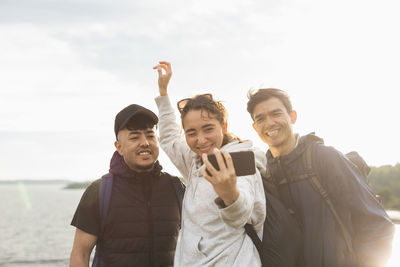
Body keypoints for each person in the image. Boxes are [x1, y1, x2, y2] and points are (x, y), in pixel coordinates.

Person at [247, 88, 395, 267]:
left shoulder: (325, 158)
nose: (269, 123)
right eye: (260, 118)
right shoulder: (263, 174)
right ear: (255, 127)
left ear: (292, 116)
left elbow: (377, 223)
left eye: (275, 114)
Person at [153, 61, 266, 267]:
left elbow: (243, 214)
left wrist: (229, 193)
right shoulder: (194, 160)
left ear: (224, 125)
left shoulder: (239, 160)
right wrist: (163, 92)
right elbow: (169, 139)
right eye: (191, 132)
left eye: (208, 129)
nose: (201, 140)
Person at [69, 104, 184, 267]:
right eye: (134, 137)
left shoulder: (176, 187)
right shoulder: (99, 192)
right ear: (119, 147)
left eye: (150, 136)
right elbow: (80, 254)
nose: (145, 143)